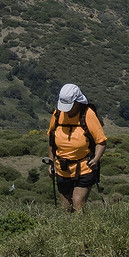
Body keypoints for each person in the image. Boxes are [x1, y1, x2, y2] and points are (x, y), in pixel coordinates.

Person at [47, 83, 107, 213]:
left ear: (77, 102)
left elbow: (101, 141)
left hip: (85, 167)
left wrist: (96, 159)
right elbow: (51, 140)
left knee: (77, 203)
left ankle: (81, 230)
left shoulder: (88, 114)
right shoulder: (57, 114)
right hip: (62, 169)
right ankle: (70, 231)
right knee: (65, 209)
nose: (67, 110)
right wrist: (51, 163)